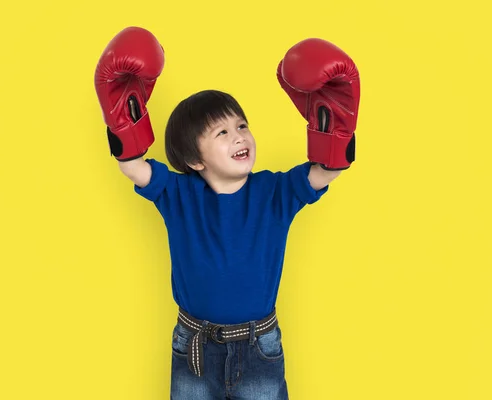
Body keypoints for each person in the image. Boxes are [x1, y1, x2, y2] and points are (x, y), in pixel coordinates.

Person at [94, 26, 360, 400]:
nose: (239, 137)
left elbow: (327, 171)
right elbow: (134, 167)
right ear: (193, 159)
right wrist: (123, 117)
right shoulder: (178, 194)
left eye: (241, 126)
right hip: (195, 345)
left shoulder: (276, 192)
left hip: (258, 346)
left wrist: (337, 126)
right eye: (221, 133)